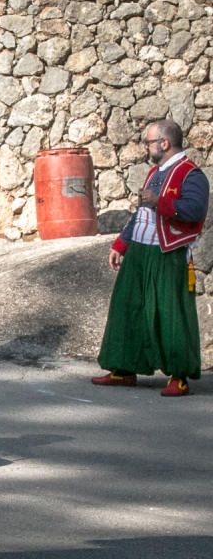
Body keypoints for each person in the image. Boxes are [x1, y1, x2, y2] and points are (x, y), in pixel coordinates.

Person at [93, 119, 209, 397]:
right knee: (127, 306)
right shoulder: (154, 173)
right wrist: (122, 243)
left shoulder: (191, 175)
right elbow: (142, 215)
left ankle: (179, 375)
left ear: (164, 143)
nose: (146, 147)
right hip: (140, 251)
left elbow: (194, 210)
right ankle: (123, 369)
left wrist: (161, 202)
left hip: (167, 252)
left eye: (149, 142)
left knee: (171, 314)